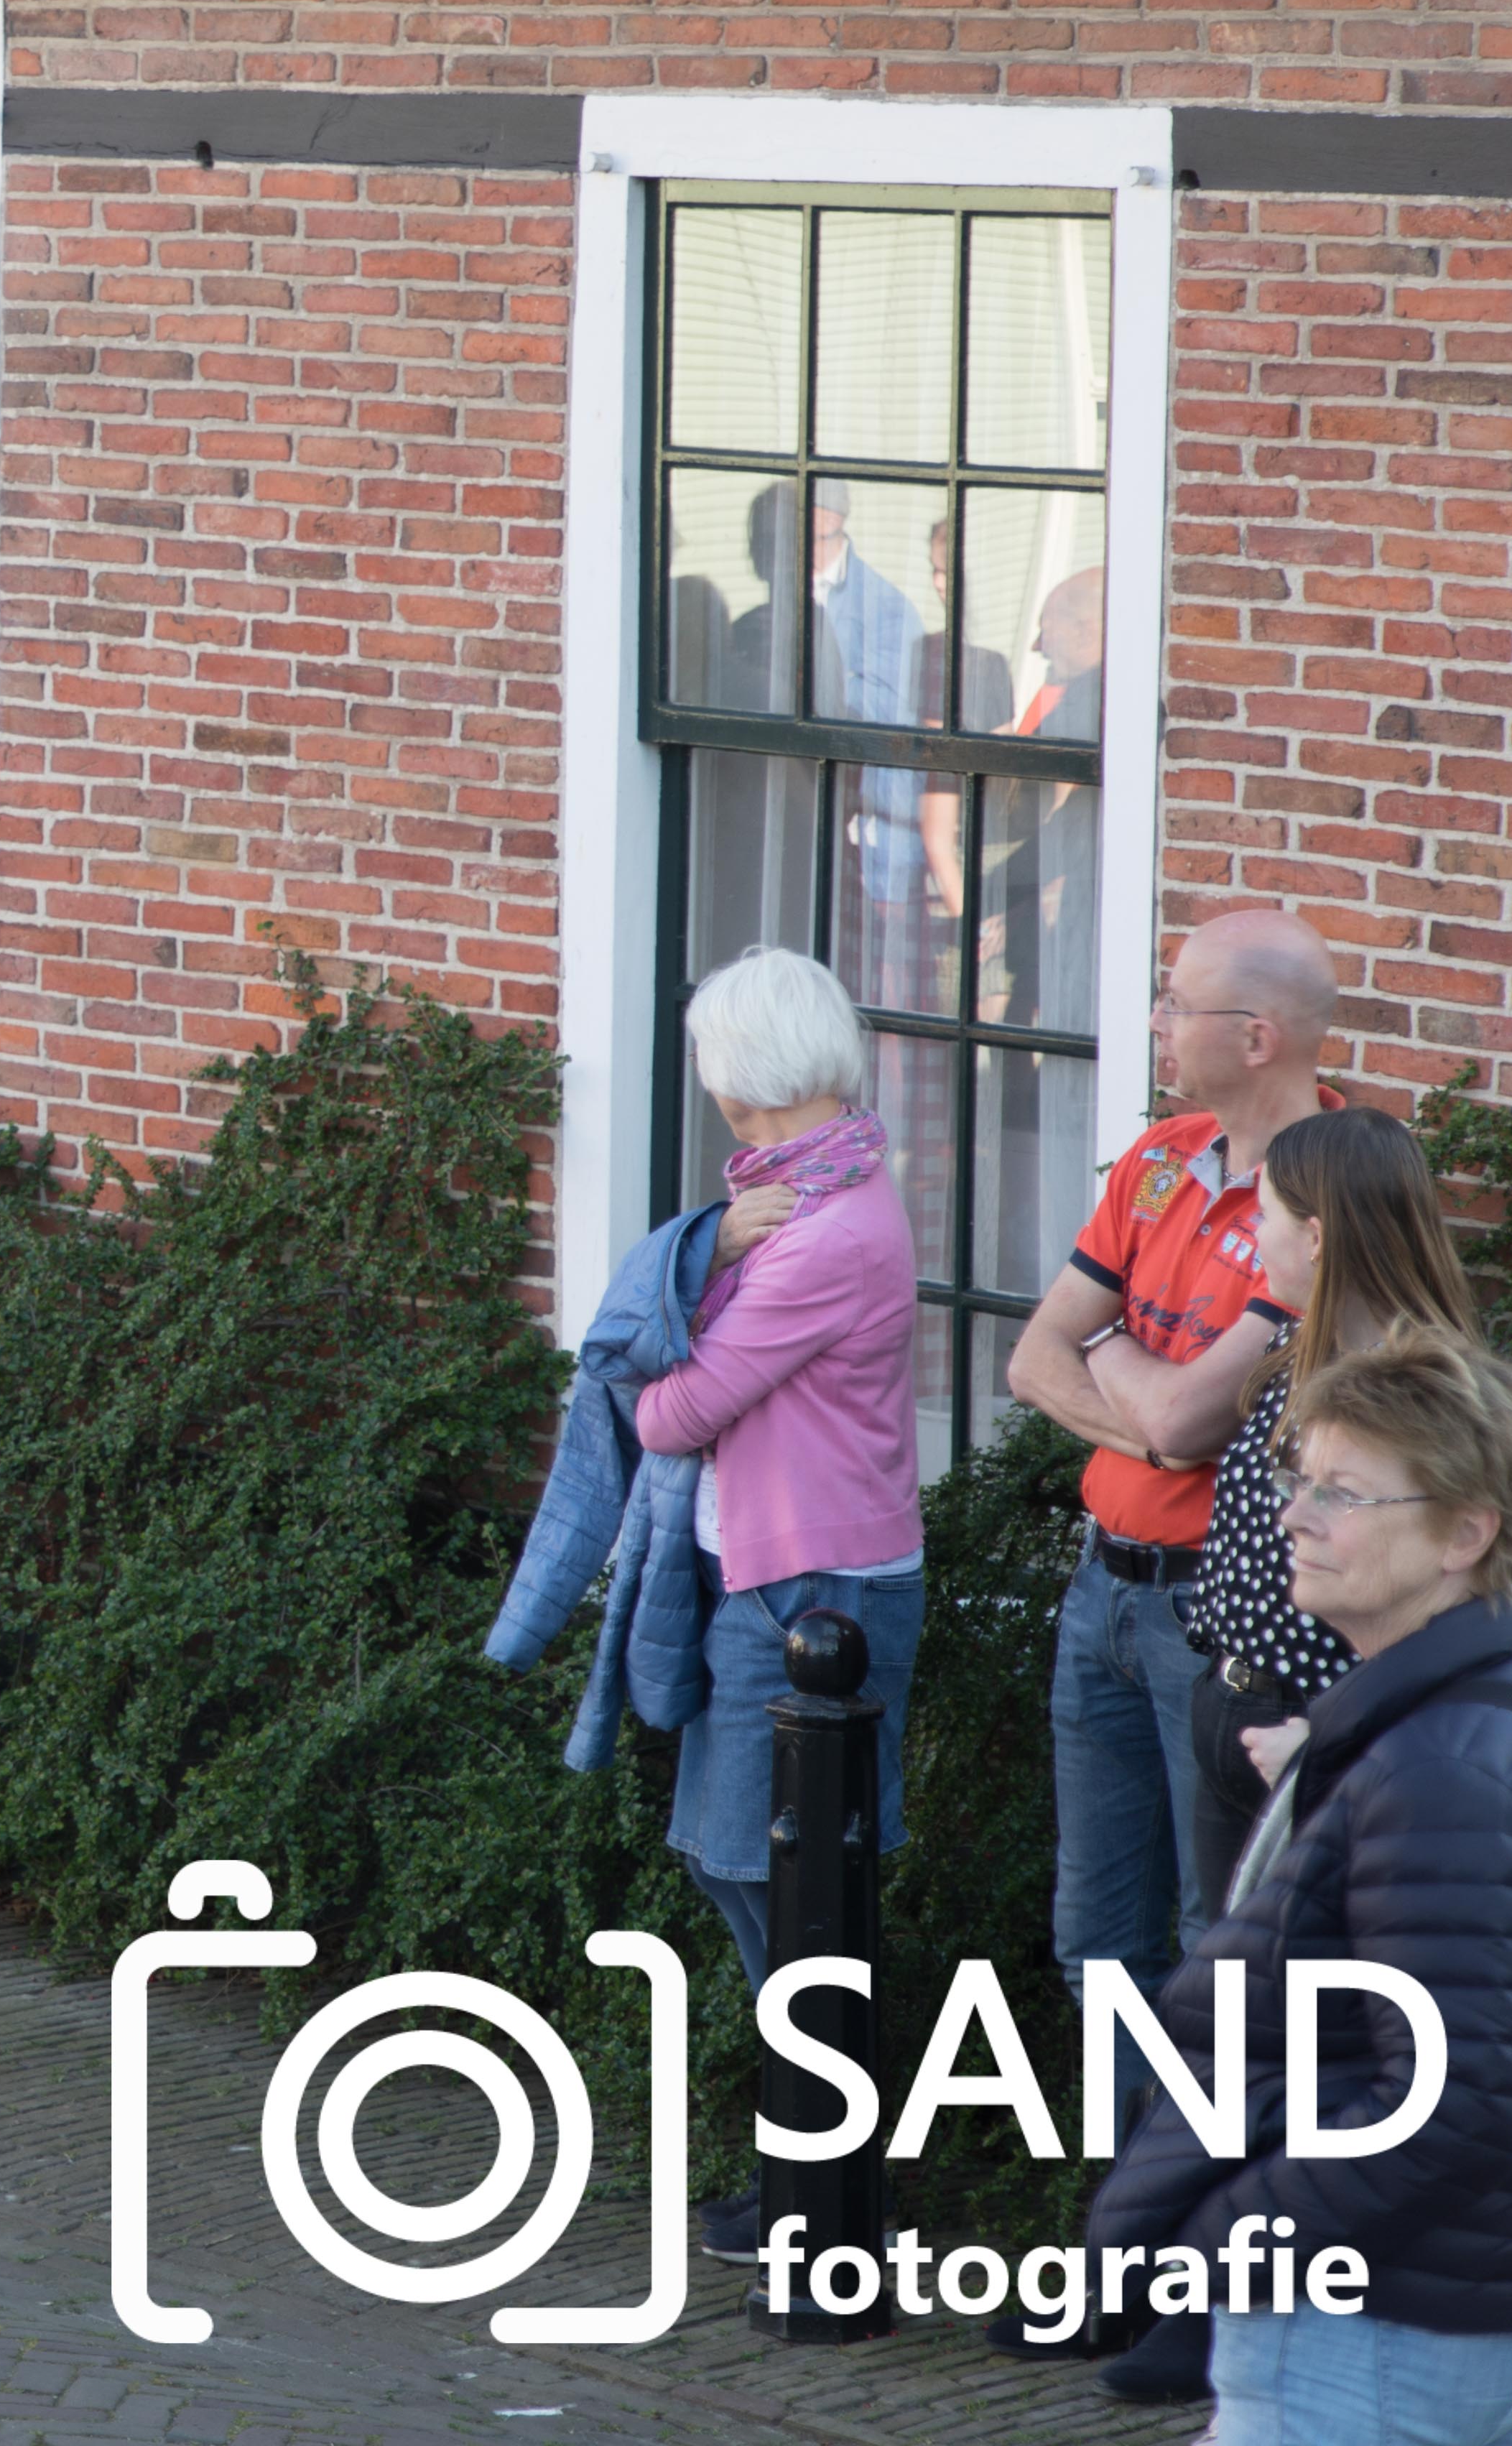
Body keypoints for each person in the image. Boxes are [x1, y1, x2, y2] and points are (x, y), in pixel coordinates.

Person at [1084, 1335, 1512, 2446]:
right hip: (1464, 2310)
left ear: (1465, 1532)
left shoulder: (1443, 1769)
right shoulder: (1494, 1700)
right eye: (1298, 1481)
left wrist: (1234, 2241)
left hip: (1378, 2332)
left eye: (1340, 1494)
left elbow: (1450, 2108)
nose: (1293, 1515)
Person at [992, 906, 1340, 2388]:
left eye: (1176, 1002)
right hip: (1101, 1587)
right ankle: (1128, 2247)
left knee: (1222, 1955)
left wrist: (1124, 1371)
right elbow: (1026, 1354)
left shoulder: (1330, 1192)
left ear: (1252, 1036)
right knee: (1100, 1942)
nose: (1156, 1024)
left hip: (1224, 1613)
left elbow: (1196, 1421)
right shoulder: (1150, 1161)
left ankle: (1208, 2267)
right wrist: (1151, 1389)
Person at [629, 949, 926, 2267]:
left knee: (787, 1886)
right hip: (773, 1567)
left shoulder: (825, 1232)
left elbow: (683, 1404)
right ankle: (822, 2173)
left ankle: (832, 2192)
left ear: (732, 1082)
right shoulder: (803, 1200)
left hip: (813, 1586)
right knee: (750, 1873)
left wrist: (631, 1380)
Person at [1176, 1112, 1481, 1930]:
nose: (1252, 1231)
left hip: (1318, 1725)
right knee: (1224, 1996)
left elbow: (1470, 1601)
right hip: (1233, 1706)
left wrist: (1335, 1738)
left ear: (1315, 1236)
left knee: (1314, 2008)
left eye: (1264, 1212)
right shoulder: (1298, 1350)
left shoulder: (1415, 1395)